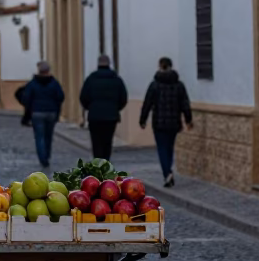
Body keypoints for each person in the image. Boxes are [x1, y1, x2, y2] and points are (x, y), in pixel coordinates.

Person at [140, 56, 193, 188]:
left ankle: (167, 173)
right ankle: (168, 169)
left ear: (160, 66)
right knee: (169, 147)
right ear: (171, 66)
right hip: (174, 122)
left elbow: (147, 103)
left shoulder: (154, 85)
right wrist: (188, 119)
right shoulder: (179, 85)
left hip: (159, 122)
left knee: (162, 148)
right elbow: (185, 104)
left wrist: (143, 119)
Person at [79, 54, 128, 163]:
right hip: (111, 116)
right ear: (109, 64)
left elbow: (83, 97)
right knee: (108, 141)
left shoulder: (91, 79)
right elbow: (123, 98)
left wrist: (90, 108)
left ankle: (98, 163)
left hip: (94, 116)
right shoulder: (116, 79)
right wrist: (116, 109)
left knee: (96, 142)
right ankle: (106, 162)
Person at [22, 61, 64, 168]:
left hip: (37, 112)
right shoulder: (54, 83)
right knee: (48, 136)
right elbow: (60, 96)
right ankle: (47, 156)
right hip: (51, 112)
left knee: (39, 137)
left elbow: (26, 98)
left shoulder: (33, 83)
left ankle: (43, 158)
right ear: (48, 70)